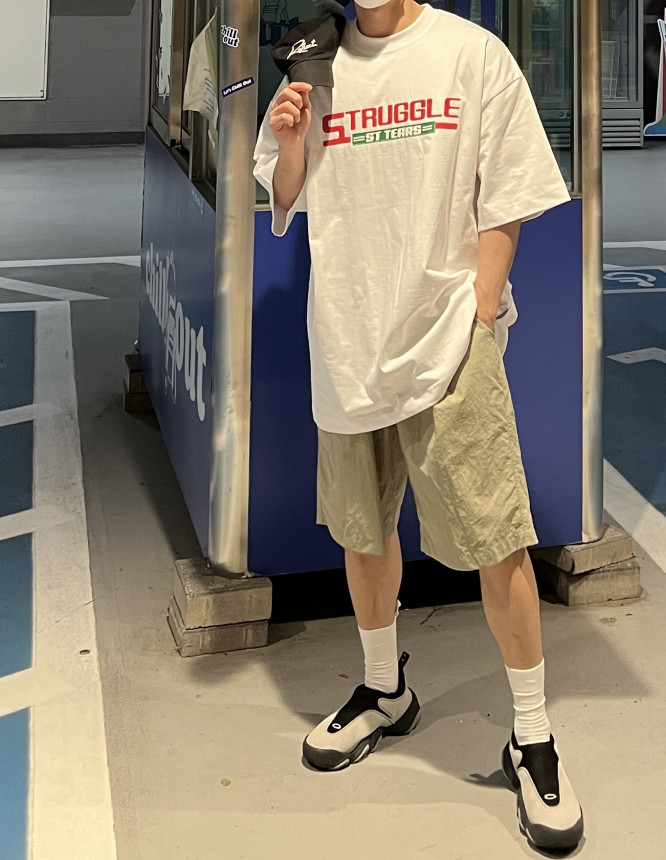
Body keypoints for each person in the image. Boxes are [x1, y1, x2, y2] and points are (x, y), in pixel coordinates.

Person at [253, 0, 583, 851]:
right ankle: (382, 690)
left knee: (497, 538)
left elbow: (510, 192)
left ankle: (532, 734)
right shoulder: (315, 62)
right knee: (362, 530)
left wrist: (480, 306)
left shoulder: (472, 54)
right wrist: (289, 144)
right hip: (346, 337)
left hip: (448, 340)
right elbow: (286, 194)